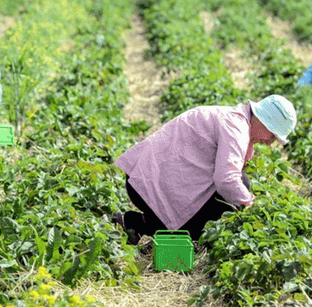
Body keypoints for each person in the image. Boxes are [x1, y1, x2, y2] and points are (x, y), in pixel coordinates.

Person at [113, 94, 297, 245]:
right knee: (235, 191)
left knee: (228, 195)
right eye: (272, 135)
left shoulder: (237, 122)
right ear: (262, 120)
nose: (271, 142)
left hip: (147, 180)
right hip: (147, 184)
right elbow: (227, 179)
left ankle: (134, 224)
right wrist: (251, 207)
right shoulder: (236, 127)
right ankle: (160, 231)